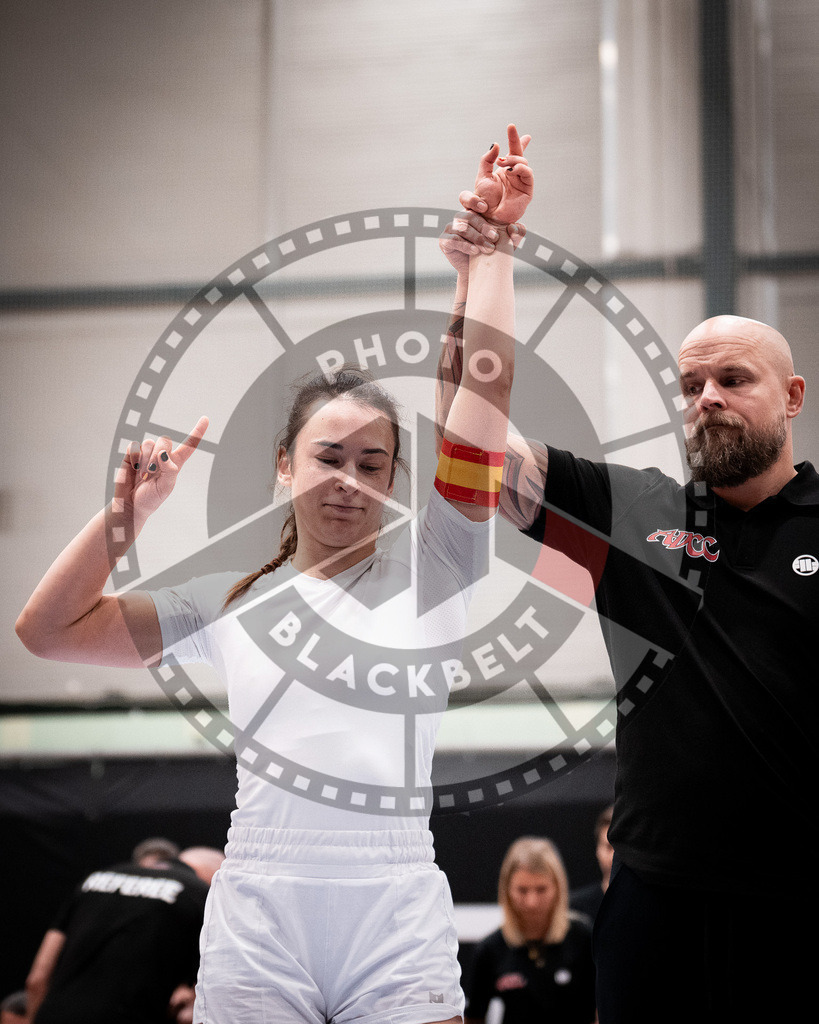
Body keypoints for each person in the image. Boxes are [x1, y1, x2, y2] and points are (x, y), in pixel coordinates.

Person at [16, 126, 534, 1024]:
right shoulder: (229, 599)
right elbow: (47, 632)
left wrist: (487, 259)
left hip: (394, 903)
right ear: (284, 469)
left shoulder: (441, 567)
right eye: (327, 456)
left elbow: (478, 411)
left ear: (394, 482)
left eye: (372, 464)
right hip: (260, 906)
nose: (348, 478)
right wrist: (126, 520)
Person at [440, 201, 817, 1021]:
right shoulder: (631, 511)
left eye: (731, 379)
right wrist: (483, 273)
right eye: (689, 385)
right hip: (655, 899)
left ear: (790, 396)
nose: (706, 398)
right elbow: (468, 454)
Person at [24, 842, 223, 1023]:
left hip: (55, 1015)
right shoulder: (201, 894)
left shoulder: (95, 879)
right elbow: (201, 1004)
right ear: (213, 876)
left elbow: (37, 978)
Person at [463, 837, 595, 1024]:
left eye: (541, 890)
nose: (531, 902)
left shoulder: (583, 938)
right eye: (522, 890)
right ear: (507, 890)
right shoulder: (491, 949)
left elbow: (600, 1010)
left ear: (558, 887)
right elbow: (474, 1017)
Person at [569, 805, 613, 924]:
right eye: (609, 847)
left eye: (621, 849)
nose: (615, 856)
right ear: (598, 850)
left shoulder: (650, 904)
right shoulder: (575, 907)